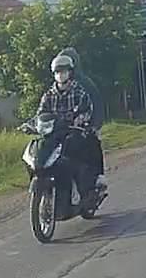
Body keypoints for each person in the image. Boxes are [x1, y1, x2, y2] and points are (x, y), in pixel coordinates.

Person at [37, 54, 101, 197]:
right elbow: (40, 114)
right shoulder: (48, 95)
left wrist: (79, 120)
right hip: (54, 133)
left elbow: (86, 110)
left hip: (73, 131)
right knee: (40, 148)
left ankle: (87, 184)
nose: (60, 75)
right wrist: (31, 125)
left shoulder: (79, 91)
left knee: (82, 145)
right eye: (57, 72)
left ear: (70, 72)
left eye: (63, 71)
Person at [57, 47, 106, 191]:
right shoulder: (58, 85)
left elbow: (97, 104)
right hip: (64, 128)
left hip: (85, 125)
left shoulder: (85, 83)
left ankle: (99, 178)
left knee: (93, 143)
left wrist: (94, 125)